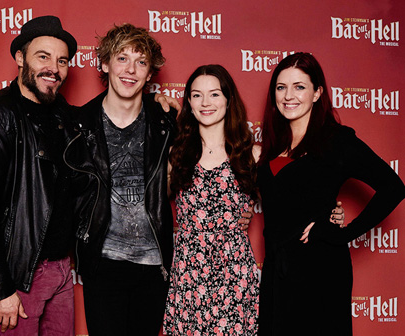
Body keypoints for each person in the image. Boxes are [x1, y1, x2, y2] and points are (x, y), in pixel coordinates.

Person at [255, 52, 405, 336]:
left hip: (320, 271)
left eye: (299, 86)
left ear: (317, 93)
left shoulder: (336, 141)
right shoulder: (272, 147)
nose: (289, 95)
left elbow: (393, 187)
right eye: (281, 87)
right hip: (277, 273)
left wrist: (342, 233)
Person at [0, 16, 79, 335]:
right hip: (21, 273)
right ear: (20, 58)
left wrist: (153, 102)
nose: (53, 67)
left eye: (62, 60)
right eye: (43, 56)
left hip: (62, 270)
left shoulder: (62, 114)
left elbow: (108, 113)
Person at [63, 23, 177, 336]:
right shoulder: (77, 125)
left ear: (150, 73)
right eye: (122, 58)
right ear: (104, 63)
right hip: (102, 263)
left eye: (141, 62)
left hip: (153, 266)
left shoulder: (166, 121)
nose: (131, 70)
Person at [163, 64, 260, 335]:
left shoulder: (251, 155)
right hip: (188, 276)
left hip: (235, 276)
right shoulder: (176, 155)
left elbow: (290, 204)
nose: (206, 102)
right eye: (196, 95)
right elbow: (147, 203)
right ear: (189, 103)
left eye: (215, 94)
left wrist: (330, 211)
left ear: (229, 101)